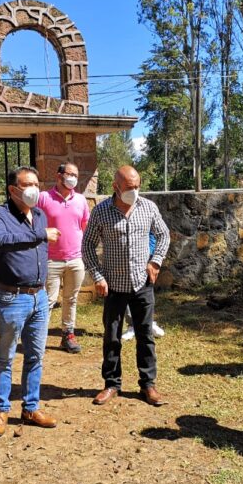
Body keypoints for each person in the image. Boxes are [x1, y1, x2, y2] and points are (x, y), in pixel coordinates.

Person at [83, 165, 170, 407]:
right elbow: (87, 246)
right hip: (114, 286)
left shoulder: (148, 207)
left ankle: (148, 384)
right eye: (129, 187)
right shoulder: (101, 211)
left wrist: (155, 261)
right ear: (116, 187)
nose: (134, 191)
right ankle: (111, 384)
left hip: (142, 284)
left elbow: (163, 235)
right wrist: (98, 276)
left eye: (137, 186)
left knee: (145, 335)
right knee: (112, 336)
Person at [0, 165, 61, 438]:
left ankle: (31, 407)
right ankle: (1, 410)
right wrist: (41, 234)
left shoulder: (39, 215)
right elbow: (0, 241)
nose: (34, 189)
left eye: (37, 184)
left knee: (35, 355)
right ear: (12, 189)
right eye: (28, 184)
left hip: (38, 296)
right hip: (11, 297)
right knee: (5, 356)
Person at [37, 162, 91, 353]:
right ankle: (38, 338)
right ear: (59, 176)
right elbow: (33, 223)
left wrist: (86, 252)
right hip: (50, 259)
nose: (73, 178)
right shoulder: (43, 198)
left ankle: (68, 335)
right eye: (70, 174)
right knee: (47, 300)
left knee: (71, 299)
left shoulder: (81, 200)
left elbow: (85, 226)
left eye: (76, 175)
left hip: (75, 259)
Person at [121, 231, 165, 341]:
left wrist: (149, 254)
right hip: (124, 257)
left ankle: (148, 323)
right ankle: (132, 325)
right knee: (125, 289)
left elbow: (155, 233)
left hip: (146, 257)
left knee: (146, 293)